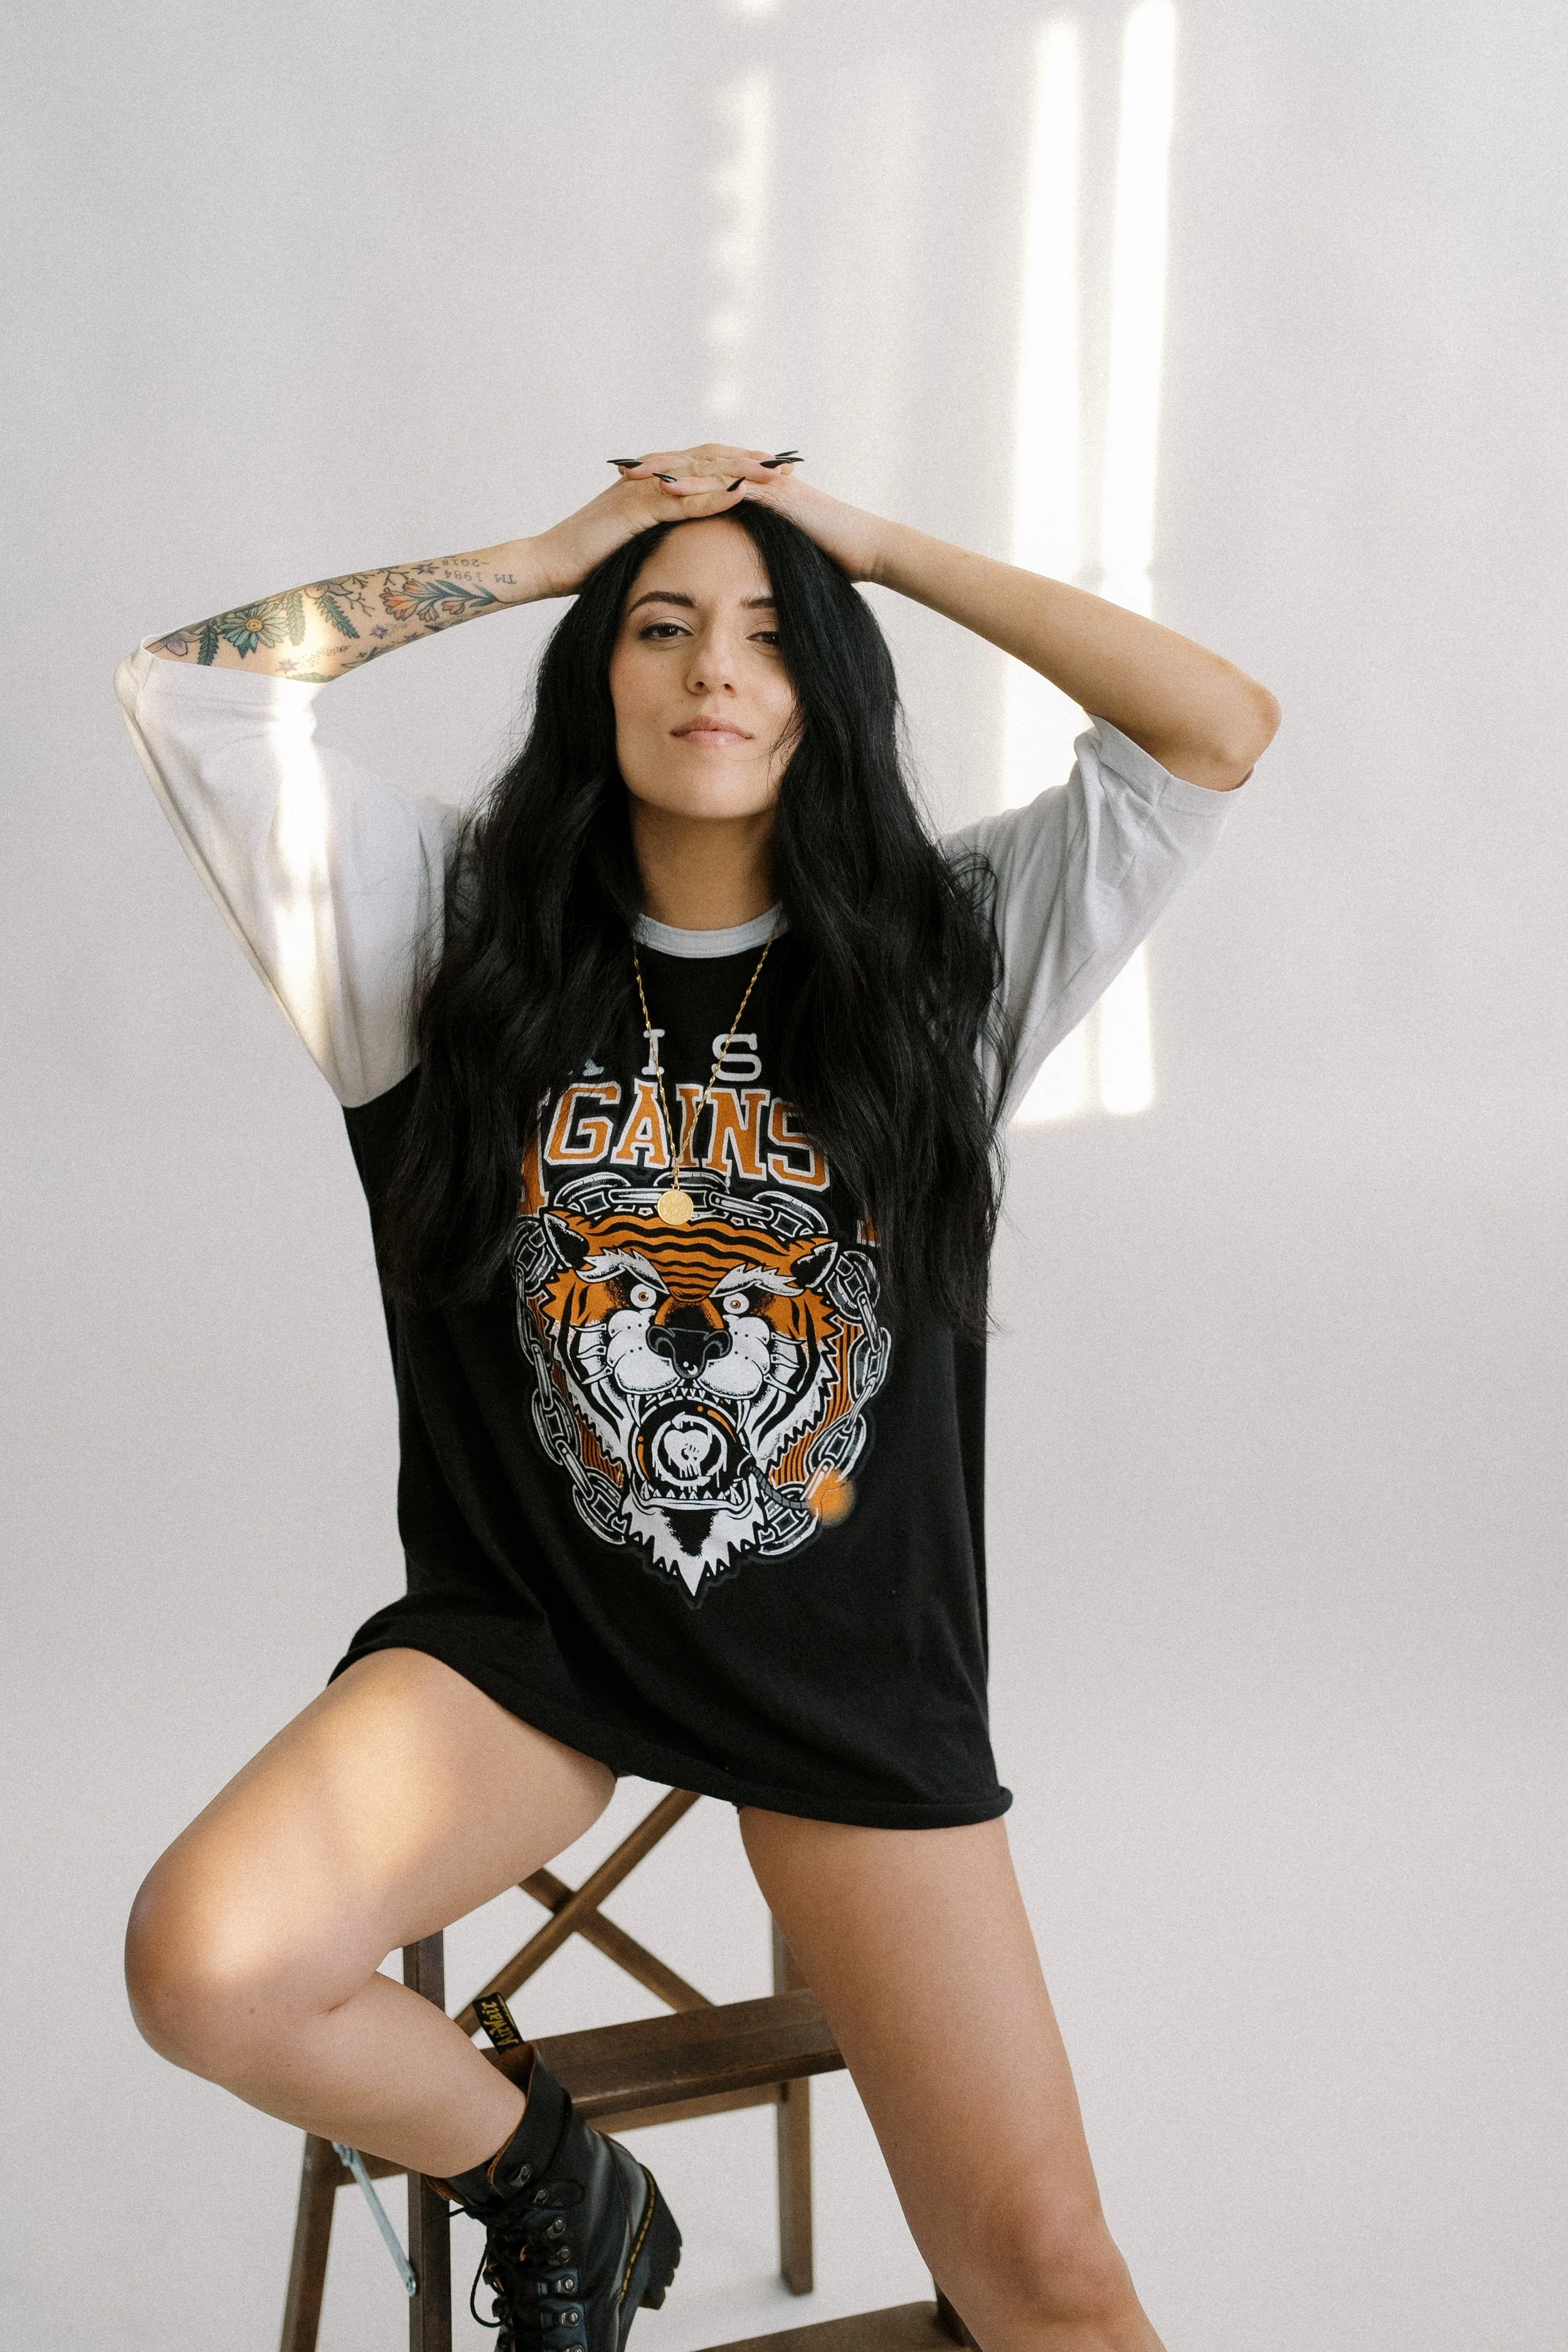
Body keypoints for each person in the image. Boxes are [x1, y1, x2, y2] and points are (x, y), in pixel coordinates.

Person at [115, 443, 1278, 2352]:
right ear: (599, 679)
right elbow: (191, 689)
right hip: (522, 1656)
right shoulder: (433, 927)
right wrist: (540, 556)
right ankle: (551, 2177)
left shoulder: (940, 958)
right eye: (658, 629)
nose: (710, 669)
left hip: (845, 1676)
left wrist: (883, 549)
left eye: (765, 635)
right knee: (204, 1963)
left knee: (1051, 2283)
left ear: (826, 690)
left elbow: (1215, 726)